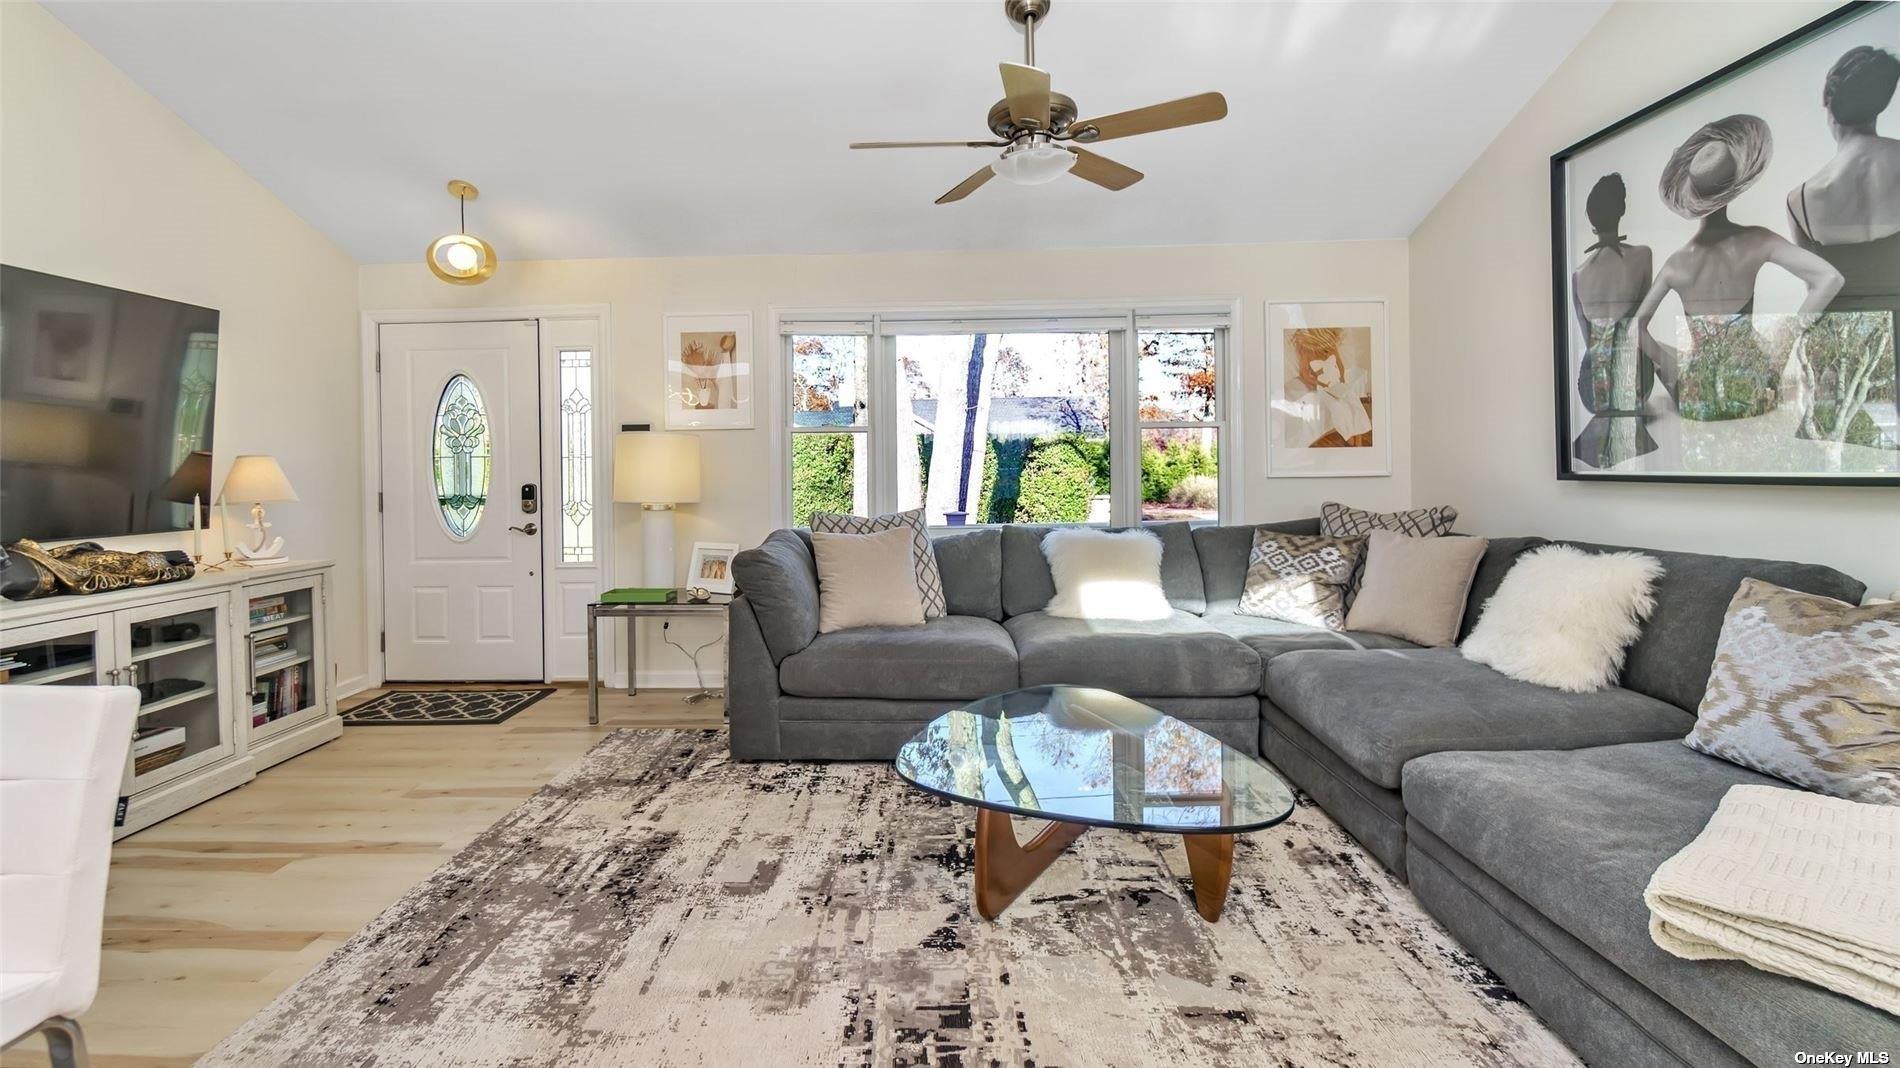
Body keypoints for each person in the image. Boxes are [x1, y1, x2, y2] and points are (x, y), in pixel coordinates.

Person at [1636, 115, 1844, 421]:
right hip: (1753, 390)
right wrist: (1785, 341)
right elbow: (1830, 278)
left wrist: (1673, 369)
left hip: (1699, 397)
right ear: (1734, 185)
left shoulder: (1676, 264)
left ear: (1693, 193)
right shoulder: (1757, 240)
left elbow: (1635, 330)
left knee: (1669, 355)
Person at [1786, 45, 1900, 445]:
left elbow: (1815, 297)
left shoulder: (1800, 198)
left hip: (1846, 365)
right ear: (1880, 102)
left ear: (1826, 99)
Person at [1285, 328, 1371, 448]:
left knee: (1354, 403)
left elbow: (1340, 366)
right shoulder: (1305, 347)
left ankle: (1359, 443)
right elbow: (1305, 374)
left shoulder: (1330, 344)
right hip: (1322, 387)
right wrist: (1319, 384)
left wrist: (1342, 384)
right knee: (1339, 409)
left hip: (1336, 383)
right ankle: (1352, 441)